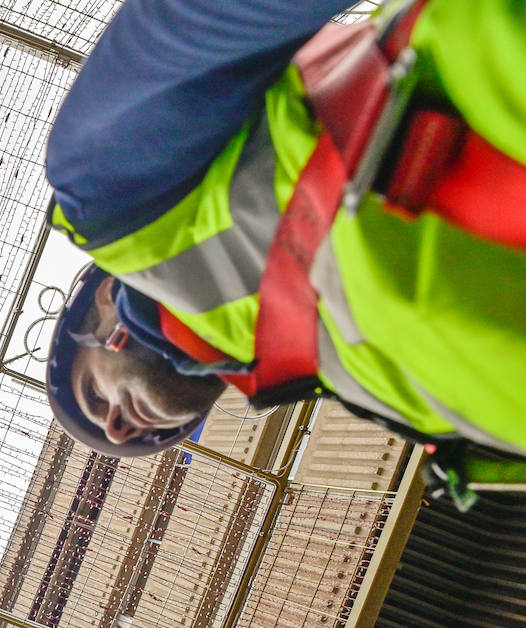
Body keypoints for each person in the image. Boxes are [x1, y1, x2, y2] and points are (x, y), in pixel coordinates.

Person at [42, 0, 526, 475]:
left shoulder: (113, 204)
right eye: (143, 440)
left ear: (105, 298)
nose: (118, 431)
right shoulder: (362, 385)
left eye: (94, 394)